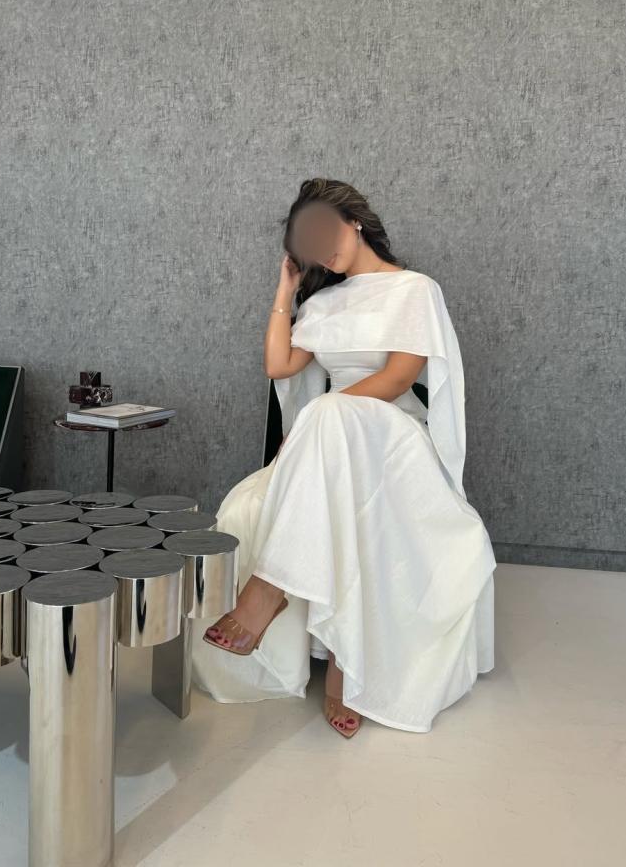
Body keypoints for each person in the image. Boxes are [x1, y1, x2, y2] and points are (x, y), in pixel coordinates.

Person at [192, 178, 497, 738]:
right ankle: (341, 664)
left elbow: (398, 378)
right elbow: (279, 365)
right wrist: (286, 291)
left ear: (353, 221)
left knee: (330, 411)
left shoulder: (415, 290)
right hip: (333, 441)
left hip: (394, 435)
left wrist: (319, 416)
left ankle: (267, 591)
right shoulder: (323, 303)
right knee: (329, 435)